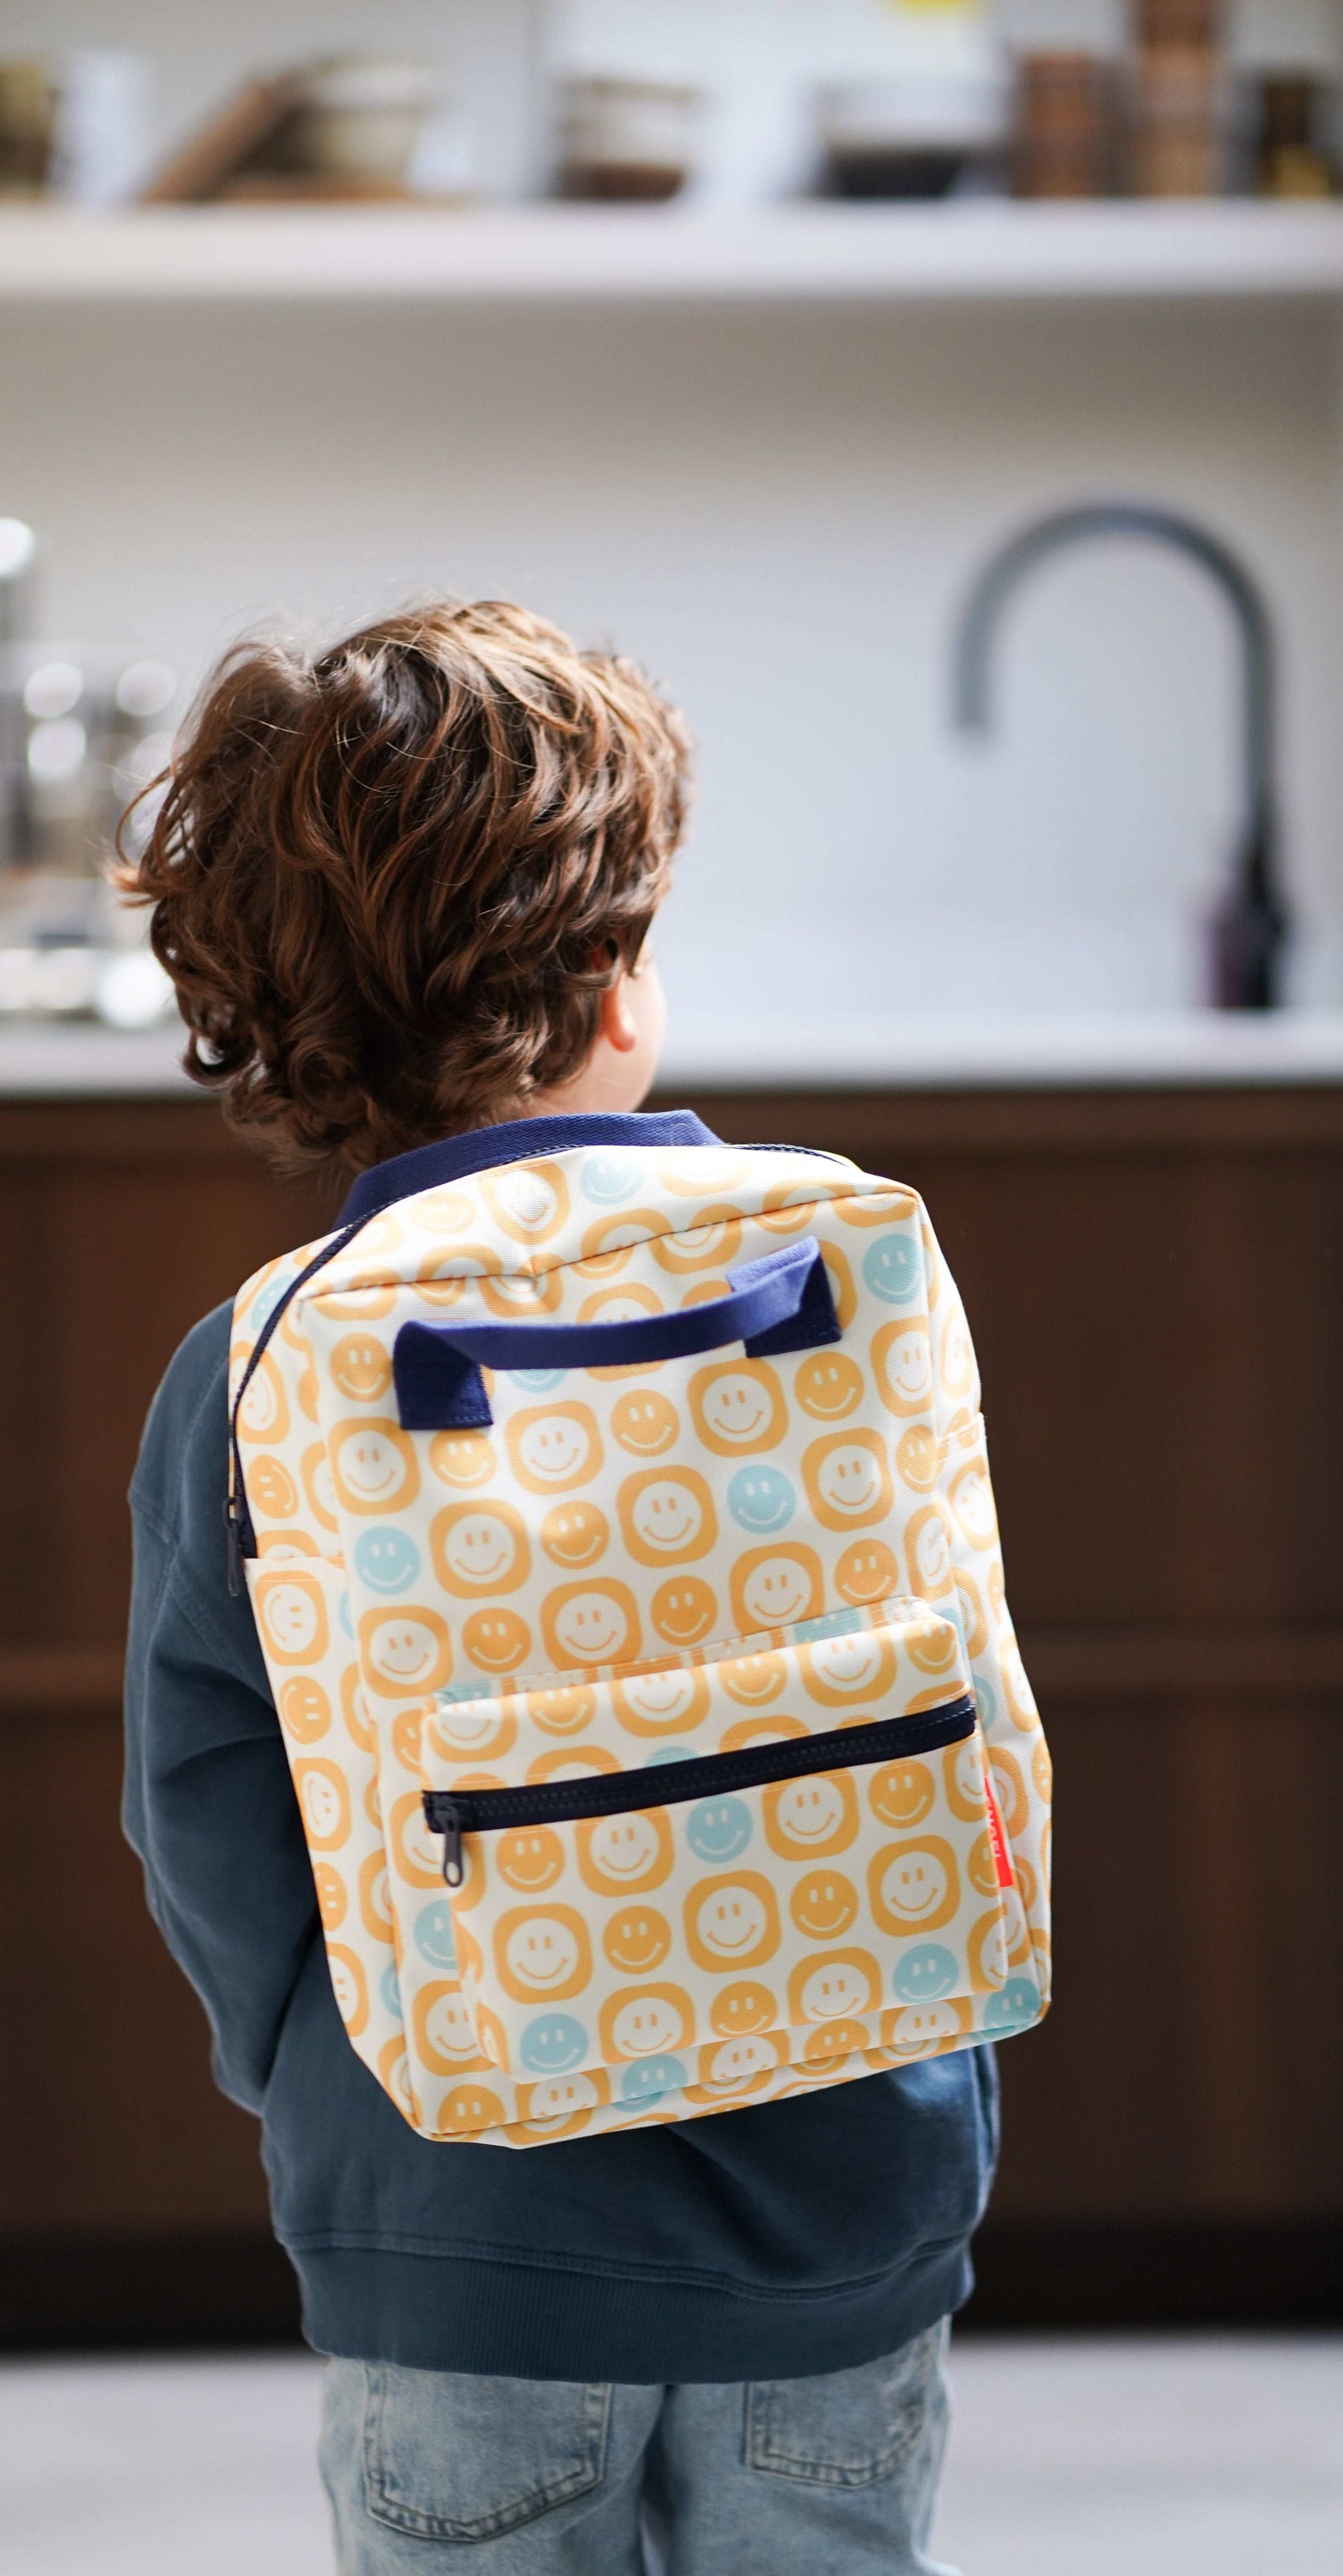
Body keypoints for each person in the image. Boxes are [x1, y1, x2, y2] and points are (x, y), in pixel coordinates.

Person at [120, 601, 986, 2573]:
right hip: (845, 2193)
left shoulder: (261, 1360)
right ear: (613, 985)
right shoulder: (831, 1273)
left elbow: (206, 1802)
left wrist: (336, 2071)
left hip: (455, 2226)